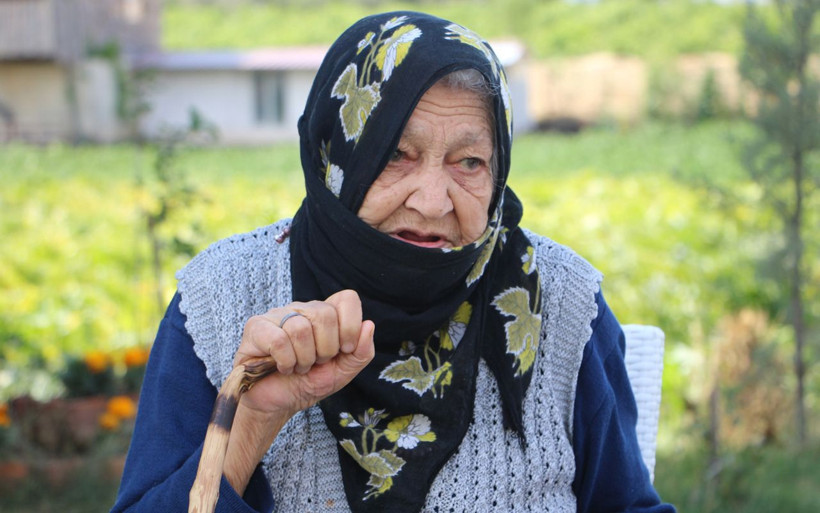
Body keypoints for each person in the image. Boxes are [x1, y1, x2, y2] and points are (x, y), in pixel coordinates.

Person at [112, 11, 675, 513]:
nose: (432, 202)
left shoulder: (561, 299)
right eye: (394, 155)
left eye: (469, 162)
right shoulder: (222, 297)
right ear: (335, 157)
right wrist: (252, 421)